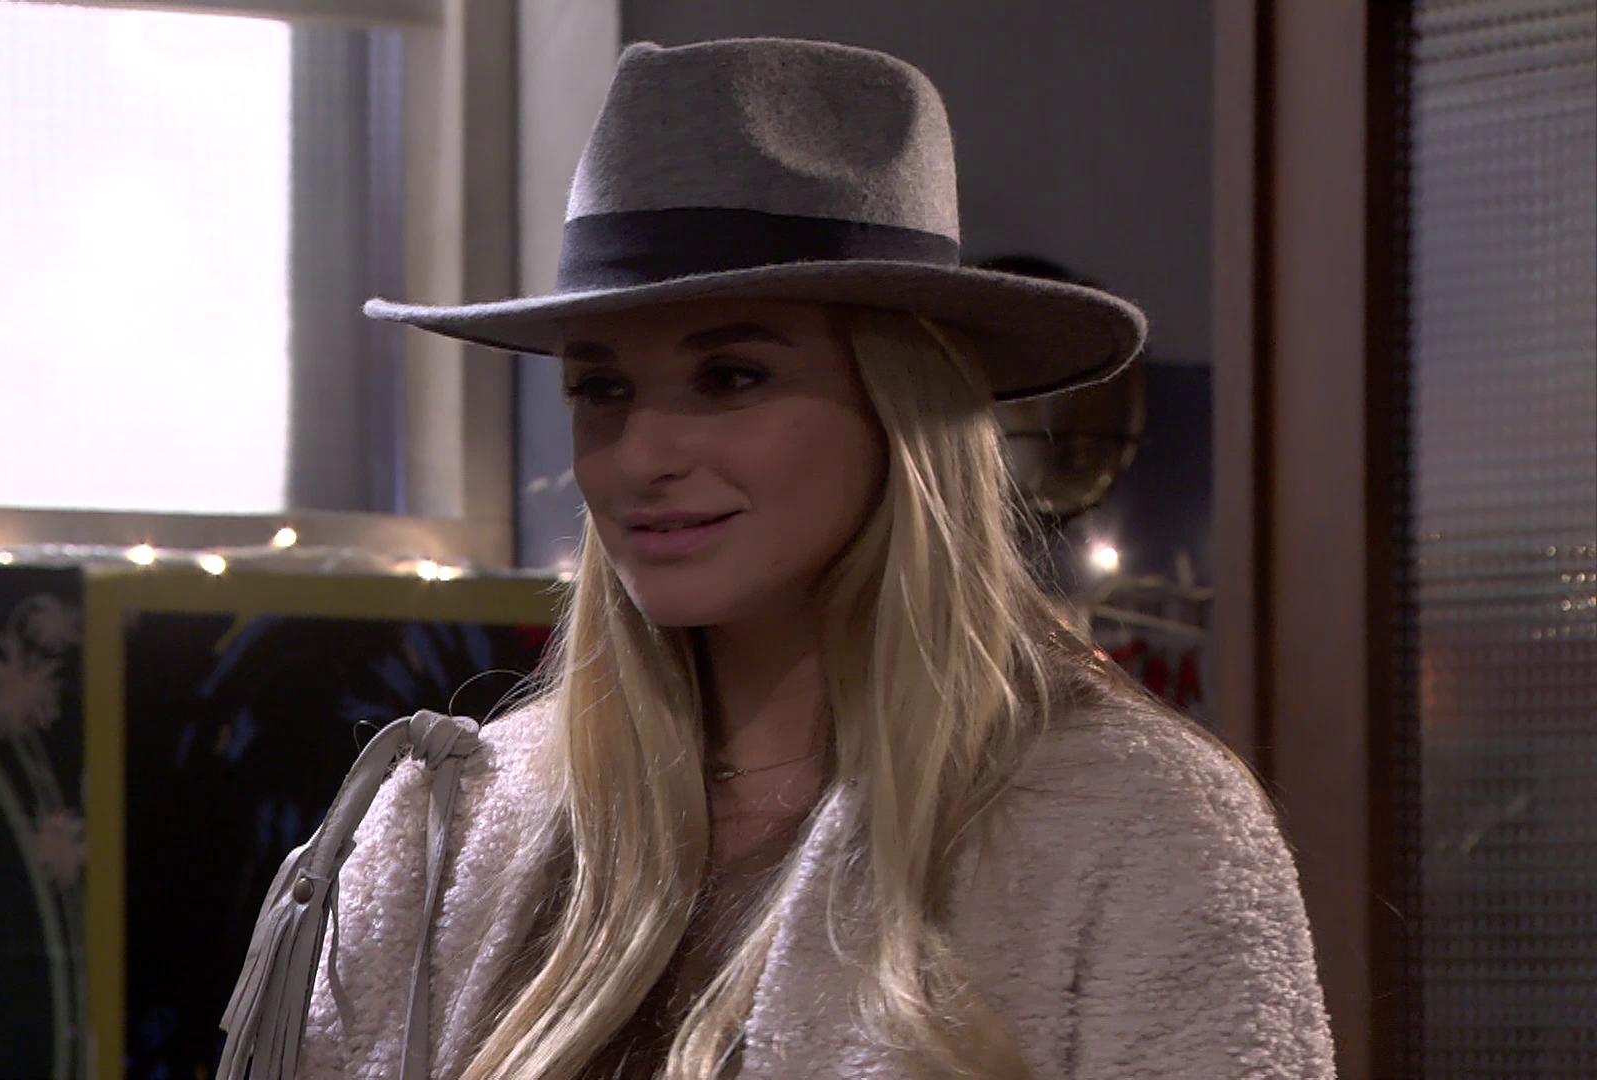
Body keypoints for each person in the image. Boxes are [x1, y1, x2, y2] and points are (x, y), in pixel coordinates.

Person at [226, 37, 1334, 1079]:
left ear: (901, 407)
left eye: (731, 378)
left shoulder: (1129, 824)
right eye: (601, 387)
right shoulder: (453, 821)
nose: (639, 457)